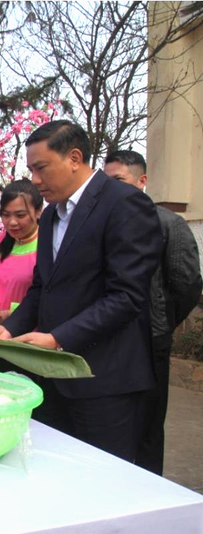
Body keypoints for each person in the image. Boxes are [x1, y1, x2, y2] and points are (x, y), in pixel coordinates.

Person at [0, 120, 163, 463]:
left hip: (104, 380)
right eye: (31, 169)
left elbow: (127, 296)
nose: (34, 180)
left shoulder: (123, 204)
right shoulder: (50, 216)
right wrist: (11, 327)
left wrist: (58, 338)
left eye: (41, 168)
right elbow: (42, 287)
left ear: (75, 158)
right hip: (52, 379)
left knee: (102, 478)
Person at [104, 149, 203, 474]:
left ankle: (149, 491)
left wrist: (164, 320)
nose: (111, 189)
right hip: (108, 339)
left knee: (148, 425)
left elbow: (186, 282)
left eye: (119, 180)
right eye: (106, 182)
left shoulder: (168, 224)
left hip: (150, 339)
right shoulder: (103, 224)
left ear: (142, 181)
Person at [0, 179, 43, 327]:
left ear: (38, 211)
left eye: (20, 215)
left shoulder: (46, 245)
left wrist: (11, 312)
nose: (12, 222)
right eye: (6, 215)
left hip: (29, 336)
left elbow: (47, 295)